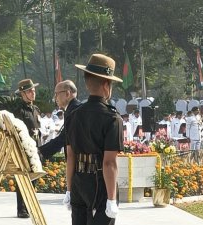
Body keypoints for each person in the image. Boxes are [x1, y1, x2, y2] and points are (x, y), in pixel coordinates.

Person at [63, 53, 123, 225]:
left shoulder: (73, 114)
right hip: (100, 184)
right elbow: (109, 163)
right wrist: (111, 198)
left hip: (78, 182)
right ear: (106, 84)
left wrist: (69, 189)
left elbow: (70, 156)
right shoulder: (112, 118)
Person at [12, 78, 41, 218]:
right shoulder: (19, 111)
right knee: (23, 179)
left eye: (33, 90)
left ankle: (29, 205)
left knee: (33, 177)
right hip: (23, 150)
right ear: (23, 93)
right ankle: (21, 208)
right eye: (30, 91)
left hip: (35, 149)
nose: (33, 92)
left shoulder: (35, 109)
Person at [38, 80, 81, 160]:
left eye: (56, 94)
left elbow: (63, 138)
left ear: (67, 94)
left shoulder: (75, 111)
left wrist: (41, 151)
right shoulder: (74, 109)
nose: (54, 98)